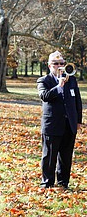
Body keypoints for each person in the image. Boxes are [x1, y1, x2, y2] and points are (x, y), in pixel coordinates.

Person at [37, 50, 82, 189]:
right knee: (49, 156)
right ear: (50, 66)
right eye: (56, 63)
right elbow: (44, 96)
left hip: (69, 124)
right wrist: (59, 86)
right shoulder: (44, 80)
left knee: (66, 156)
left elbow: (77, 101)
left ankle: (63, 183)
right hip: (52, 124)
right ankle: (47, 183)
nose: (59, 66)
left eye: (62, 63)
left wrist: (78, 120)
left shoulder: (72, 80)